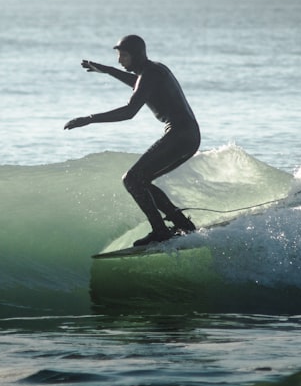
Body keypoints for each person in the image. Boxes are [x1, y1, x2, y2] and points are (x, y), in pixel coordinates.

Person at [64, 35, 200, 246]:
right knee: (142, 181)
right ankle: (183, 225)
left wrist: (89, 119)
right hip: (187, 136)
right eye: (119, 56)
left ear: (136, 55)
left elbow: (129, 111)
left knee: (132, 179)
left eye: (123, 56)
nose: (120, 61)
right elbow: (138, 84)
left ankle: (160, 231)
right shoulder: (153, 71)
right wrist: (108, 70)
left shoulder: (150, 74)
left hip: (180, 135)